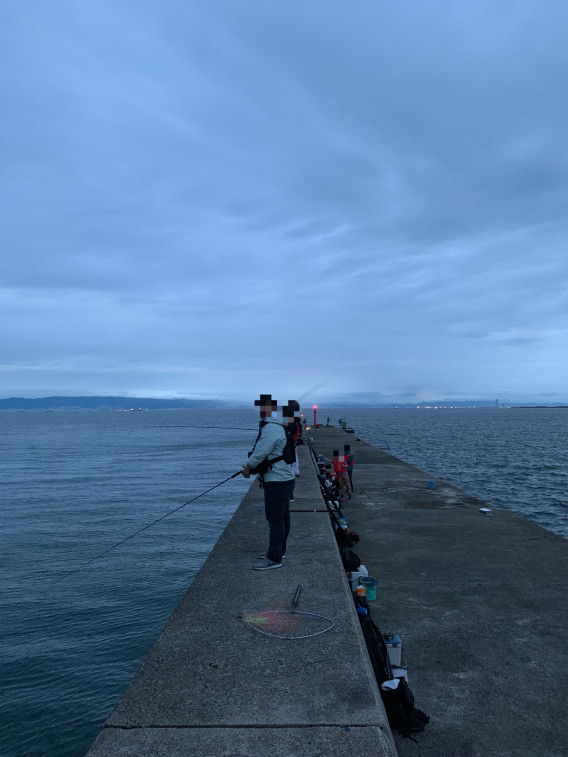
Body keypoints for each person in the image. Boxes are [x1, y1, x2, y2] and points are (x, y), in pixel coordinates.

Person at [242, 394, 295, 571]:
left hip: (277, 481)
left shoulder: (271, 428)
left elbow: (260, 452)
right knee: (282, 517)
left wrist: (248, 467)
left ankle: (274, 558)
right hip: (285, 478)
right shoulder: (280, 426)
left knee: (275, 519)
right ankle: (280, 551)